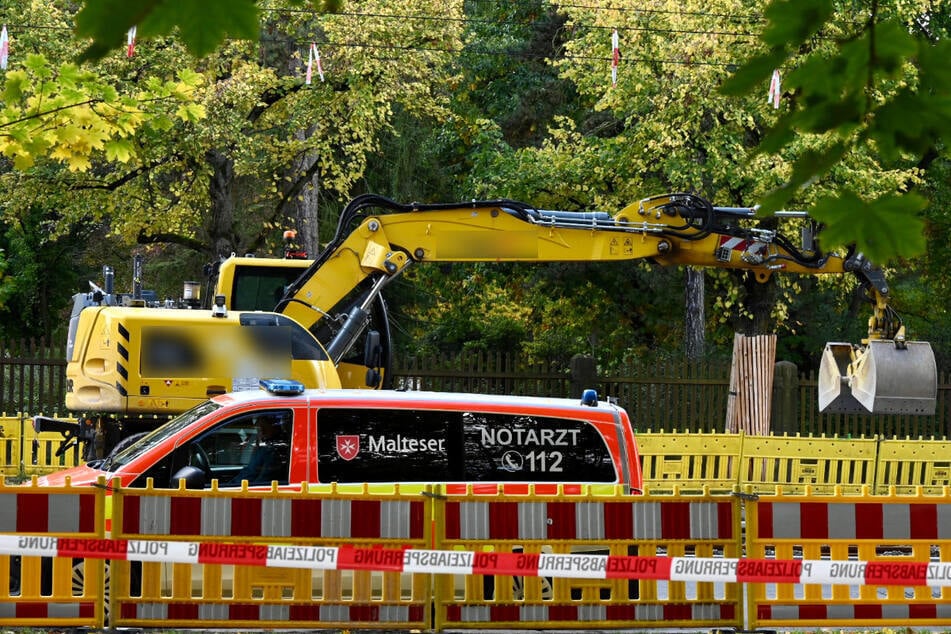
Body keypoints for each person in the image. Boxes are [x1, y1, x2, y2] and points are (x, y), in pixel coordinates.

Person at [229, 417, 287, 485]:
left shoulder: (271, 451)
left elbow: (262, 481)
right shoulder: (263, 448)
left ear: (275, 428)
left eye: (265, 427)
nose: (262, 432)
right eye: (258, 429)